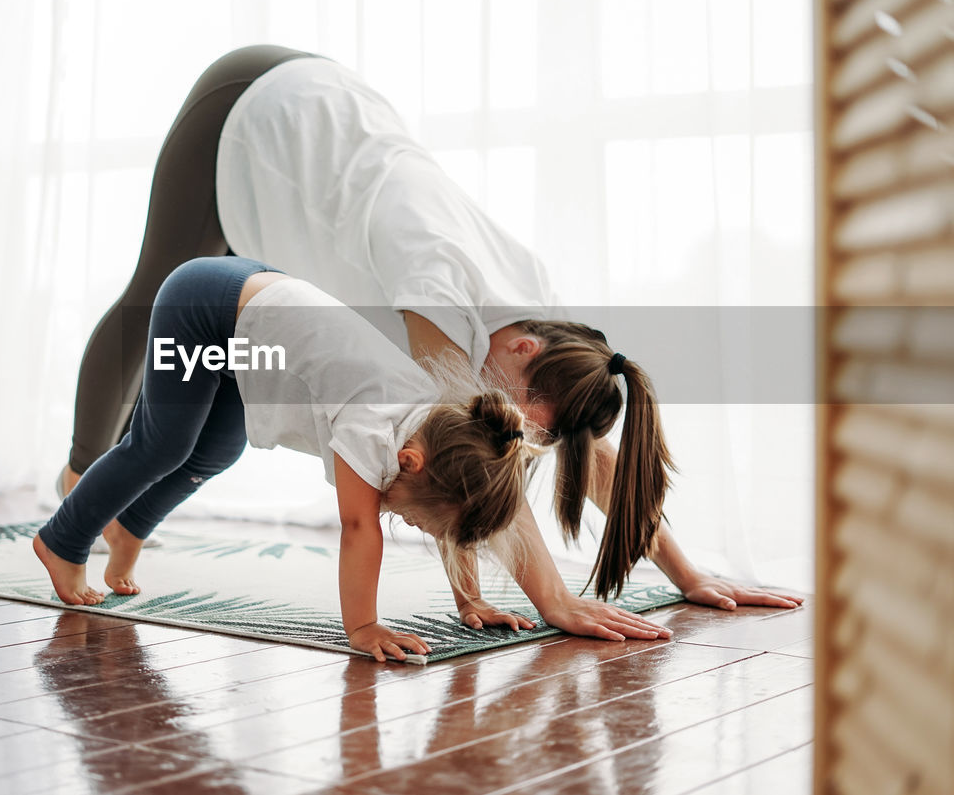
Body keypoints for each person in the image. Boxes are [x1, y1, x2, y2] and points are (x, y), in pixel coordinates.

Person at [61, 45, 802, 632]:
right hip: (252, 113)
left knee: (208, 424)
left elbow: (580, 455)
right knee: (149, 297)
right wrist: (552, 599)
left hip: (317, 138)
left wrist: (687, 570)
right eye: (528, 425)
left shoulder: (541, 321)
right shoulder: (438, 289)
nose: (521, 436)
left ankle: (121, 510)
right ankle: (79, 479)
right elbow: (468, 468)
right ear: (522, 357)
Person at [37, 256, 675, 662]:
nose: (412, 527)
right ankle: (63, 540)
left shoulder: (442, 437)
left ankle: (126, 530)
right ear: (409, 463)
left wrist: (469, 601)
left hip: (251, 339)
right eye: (418, 523)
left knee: (216, 449)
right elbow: (358, 527)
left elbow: (455, 518)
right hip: (204, 306)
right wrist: (364, 627)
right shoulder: (375, 430)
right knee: (163, 442)